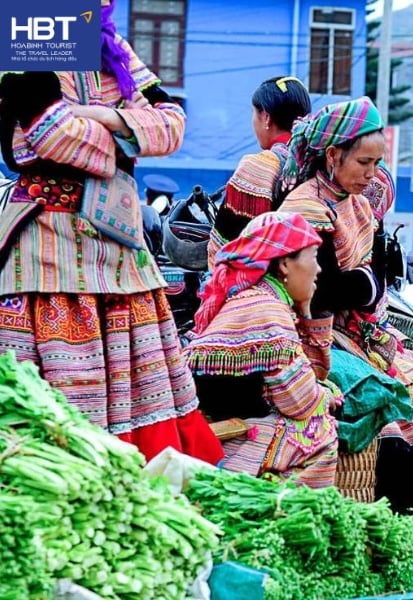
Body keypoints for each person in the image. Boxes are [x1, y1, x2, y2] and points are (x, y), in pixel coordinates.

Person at [0, 0, 223, 464]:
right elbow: (49, 134)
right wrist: (127, 138)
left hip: (119, 247)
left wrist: (98, 117)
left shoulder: (111, 45)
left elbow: (173, 123)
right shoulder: (30, 34)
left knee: (140, 392)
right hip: (48, 245)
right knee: (50, 411)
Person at [277, 97, 413, 512]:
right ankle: (405, 505)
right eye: (364, 162)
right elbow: (323, 291)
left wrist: (363, 286)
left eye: (377, 163)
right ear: (332, 156)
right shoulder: (305, 207)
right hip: (309, 334)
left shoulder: (358, 205)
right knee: (390, 392)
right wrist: (364, 285)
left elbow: (369, 280)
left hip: (352, 330)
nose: (372, 174)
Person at [185, 212, 339, 486]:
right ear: (285, 264)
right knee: (319, 428)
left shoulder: (256, 299)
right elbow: (300, 403)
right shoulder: (268, 310)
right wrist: (327, 396)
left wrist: (304, 311)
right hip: (237, 429)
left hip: (232, 417)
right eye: (314, 257)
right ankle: (285, 502)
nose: (318, 269)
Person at [208, 76, 312, 268]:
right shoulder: (319, 160)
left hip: (270, 281)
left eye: (253, 113)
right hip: (313, 275)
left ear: (266, 117)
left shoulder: (259, 167)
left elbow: (225, 245)